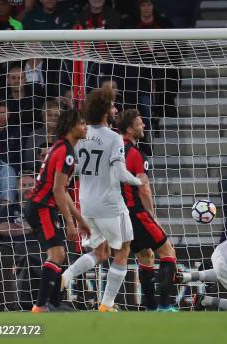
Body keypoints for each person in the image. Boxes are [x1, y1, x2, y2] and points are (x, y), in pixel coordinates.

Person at [60, 88, 143, 312]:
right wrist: (139, 181)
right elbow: (120, 173)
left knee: (101, 252)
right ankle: (106, 305)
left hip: (86, 204)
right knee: (123, 250)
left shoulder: (81, 135)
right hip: (110, 203)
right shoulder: (114, 137)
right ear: (105, 111)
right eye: (113, 106)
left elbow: (73, 169)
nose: (116, 109)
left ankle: (66, 276)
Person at [24, 109, 89, 312]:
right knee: (57, 254)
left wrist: (80, 219)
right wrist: (71, 222)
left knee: (58, 254)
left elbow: (63, 191)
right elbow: (58, 190)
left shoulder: (61, 147)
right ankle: (41, 306)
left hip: (43, 206)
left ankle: (54, 303)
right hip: (42, 206)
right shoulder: (66, 152)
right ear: (71, 126)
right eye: (82, 124)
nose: (85, 127)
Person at [115, 109, 178, 312]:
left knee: (145, 255)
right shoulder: (134, 153)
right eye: (139, 123)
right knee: (168, 251)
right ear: (129, 129)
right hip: (136, 212)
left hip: (119, 214)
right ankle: (165, 305)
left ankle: (150, 306)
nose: (143, 126)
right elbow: (144, 188)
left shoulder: (114, 151)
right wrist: (152, 216)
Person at [0, 172, 36, 242]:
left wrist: (22, 227)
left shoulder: (45, 208)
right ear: (17, 188)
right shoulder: (8, 209)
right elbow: (3, 229)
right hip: (12, 248)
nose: (27, 188)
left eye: (31, 185)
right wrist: (33, 228)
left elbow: (53, 227)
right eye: (23, 185)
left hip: (39, 248)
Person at [22, 100, 60, 173]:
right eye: (49, 115)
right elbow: (29, 162)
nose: (53, 118)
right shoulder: (34, 135)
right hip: (38, 173)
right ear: (43, 118)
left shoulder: (64, 135)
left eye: (56, 115)